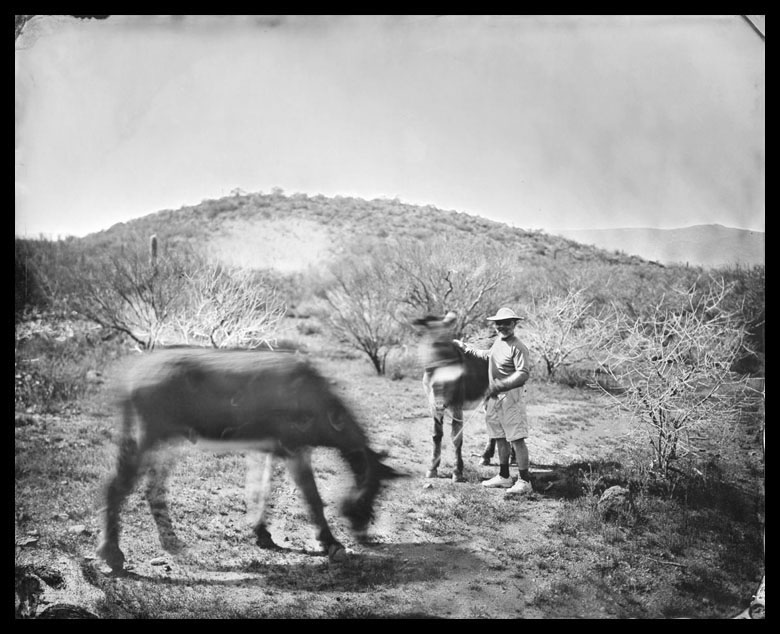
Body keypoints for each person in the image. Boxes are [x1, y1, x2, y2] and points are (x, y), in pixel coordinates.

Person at [454, 307, 533, 497]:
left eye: (506, 323)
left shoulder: (518, 346)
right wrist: (466, 348)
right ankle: (504, 475)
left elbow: (523, 374)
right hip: (495, 399)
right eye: (499, 323)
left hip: (511, 398)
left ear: (514, 324)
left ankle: (524, 481)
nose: (502, 326)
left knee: (517, 439)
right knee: (499, 437)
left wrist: (500, 385)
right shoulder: (499, 342)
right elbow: (488, 356)